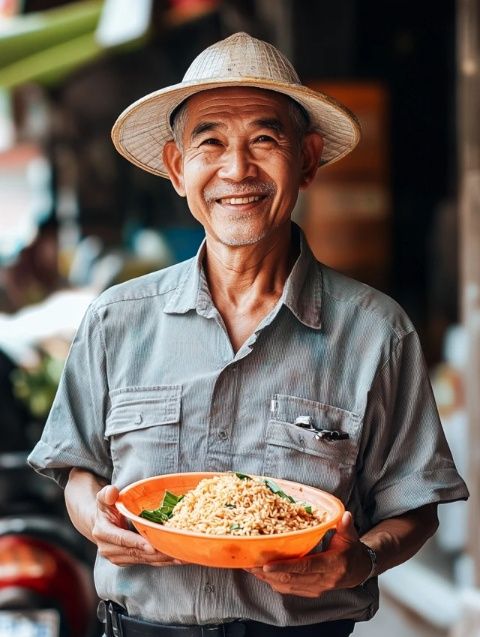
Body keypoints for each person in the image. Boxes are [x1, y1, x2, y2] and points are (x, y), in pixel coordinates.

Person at [28, 32, 469, 637]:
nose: (237, 169)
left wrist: (357, 561)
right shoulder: (116, 319)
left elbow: (414, 509)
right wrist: (95, 519)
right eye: (210, 142)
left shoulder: (376, 332)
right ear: (179, 169)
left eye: (265, 139)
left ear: (308, 160)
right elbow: (80, 469)